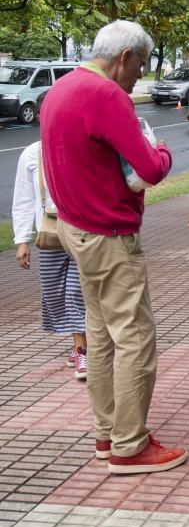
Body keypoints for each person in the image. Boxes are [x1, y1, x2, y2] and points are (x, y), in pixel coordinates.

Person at [41, 19, 184, 474]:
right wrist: (162, 150)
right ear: (124, 57)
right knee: (136, 338)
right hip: (108, 234)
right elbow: (150, 168)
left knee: (101, 337)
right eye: (139, 66)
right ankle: (129, 444)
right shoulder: (107, 95)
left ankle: (108, 433)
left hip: (73, 228)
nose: (138, 76)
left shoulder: (60, 90)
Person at [13, 141, 88, 380]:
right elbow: (23, 199)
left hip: (83, 231)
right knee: (54, 294)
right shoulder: (32, 153)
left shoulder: (81, 145)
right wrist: (22, 240)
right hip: (49, 232)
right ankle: (80, 343)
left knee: (75, 292)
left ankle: (82, 350)